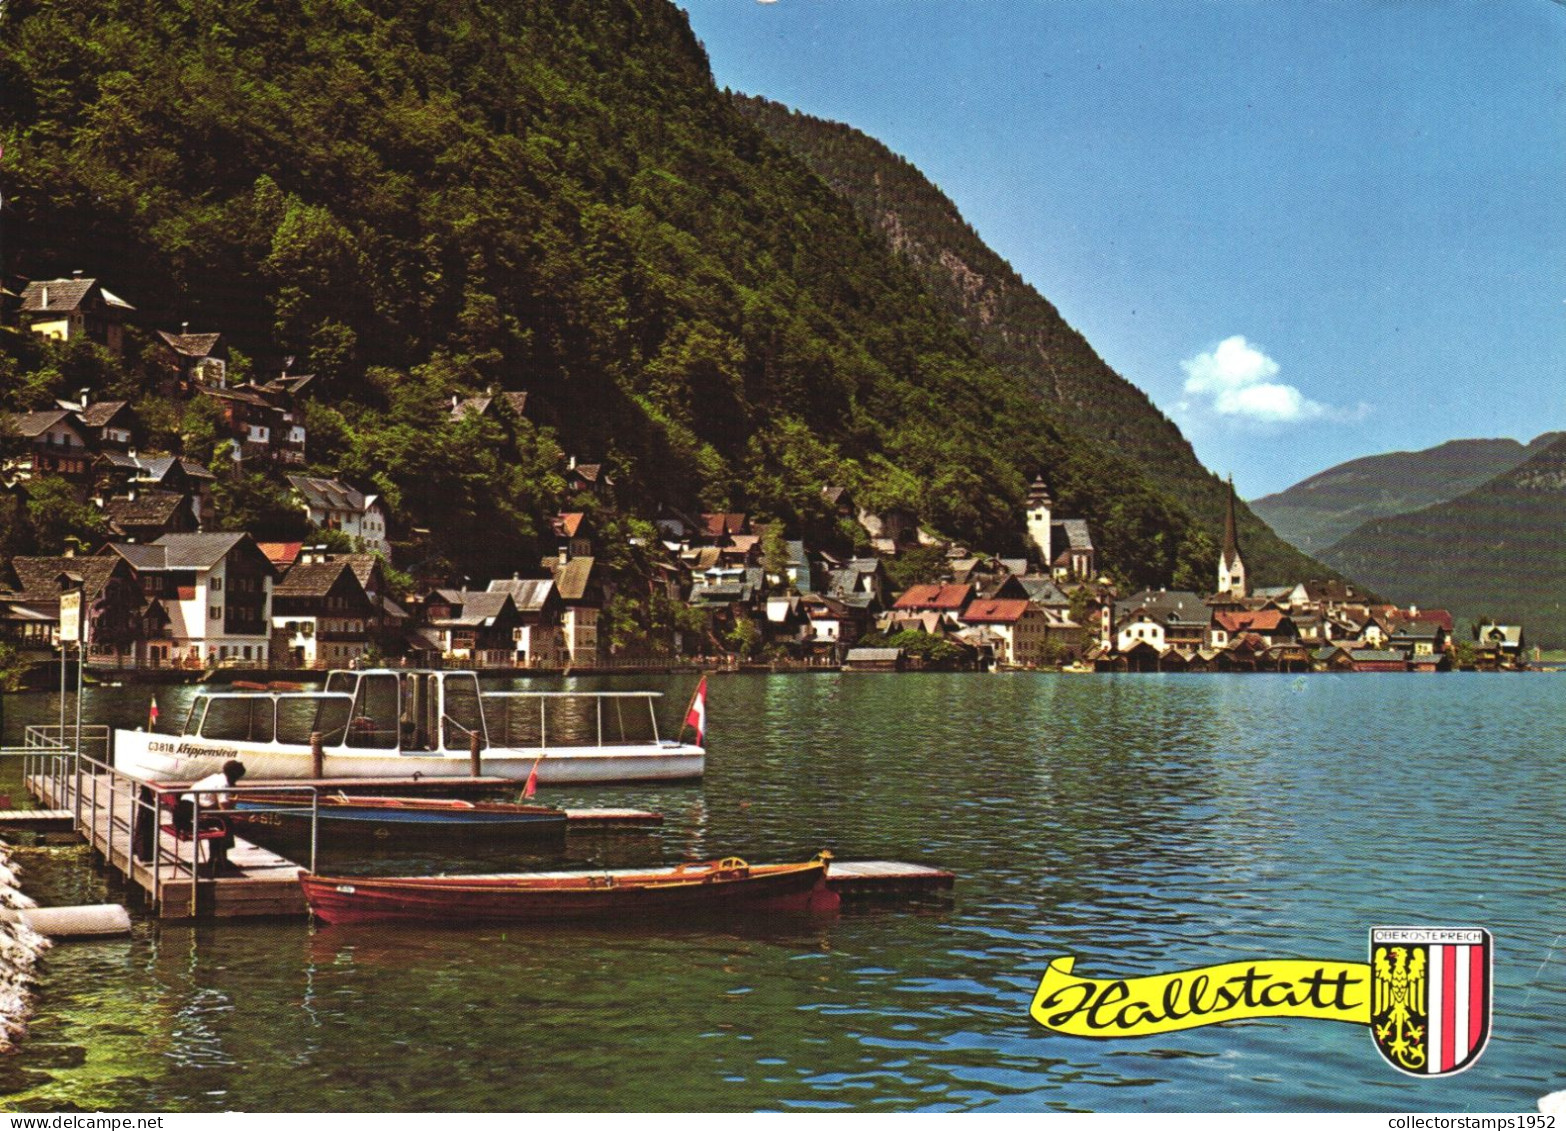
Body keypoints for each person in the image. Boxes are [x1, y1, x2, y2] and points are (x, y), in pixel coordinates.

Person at [174, 760, 246, 874]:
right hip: (190, 819)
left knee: (220, 821)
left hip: (183, 813)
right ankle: (220, 859)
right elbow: (224, 809)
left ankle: (216, 858)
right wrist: (235, 801)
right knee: (226, 823)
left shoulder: (216, 777)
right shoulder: (224, 784)